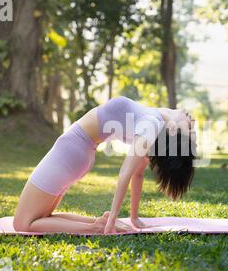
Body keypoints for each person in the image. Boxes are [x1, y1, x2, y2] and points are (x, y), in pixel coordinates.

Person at [13, 96, 196, 234]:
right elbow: (137, 174)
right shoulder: (153, 118)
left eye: (189, 127)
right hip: (76, 153)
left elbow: (128, 173)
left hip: (70, 151)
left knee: (23, 224)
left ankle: (100, 227)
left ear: (174, 132)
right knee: (40, 219)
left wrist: (113, 222)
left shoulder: (151, 125)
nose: (192, 120)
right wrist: (133, 218)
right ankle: (99, 222)